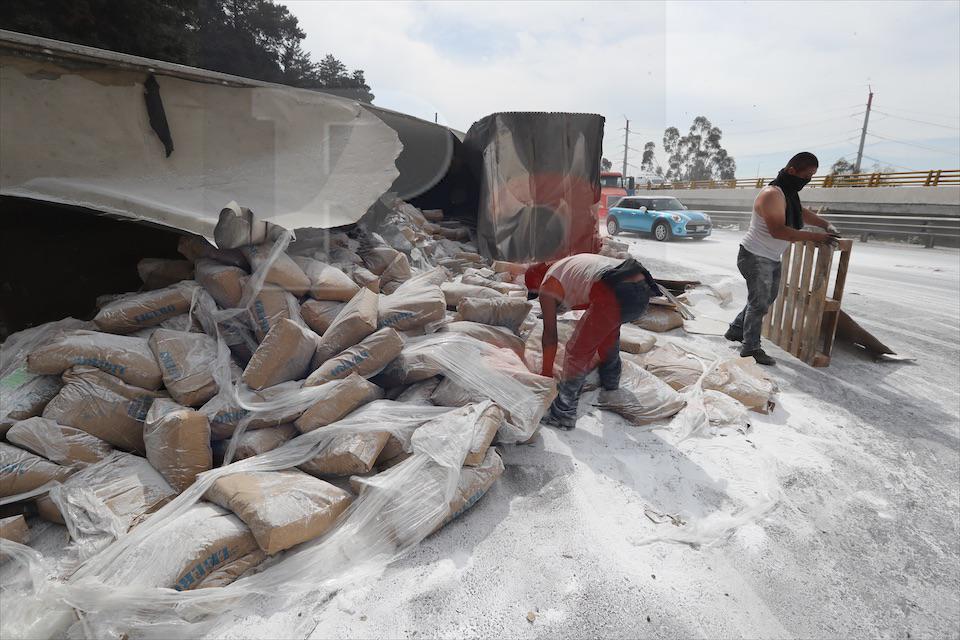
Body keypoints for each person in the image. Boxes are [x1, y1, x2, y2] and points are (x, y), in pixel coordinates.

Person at [725, 152, 839, 365]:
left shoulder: (788, 195)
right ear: (791, 171)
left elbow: (803, 213)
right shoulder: (772, 194)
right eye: (806, 176)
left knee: (765, 299)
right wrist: (818, 237)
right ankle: (750, 348)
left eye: (812, 176)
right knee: (759, 303)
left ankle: (736, 329)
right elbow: (778, 231)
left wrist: (825, 224)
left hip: (770, 257)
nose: (808, 181)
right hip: (755, 256)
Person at [537, 253, 656, 430]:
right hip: (642, 288)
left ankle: (563, 414)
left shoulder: (547, 285)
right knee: (608, 334)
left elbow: (550, 336)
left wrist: (546, 373)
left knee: (577, 352)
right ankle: (610, 382)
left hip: (617, 289)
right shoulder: (568, 268)